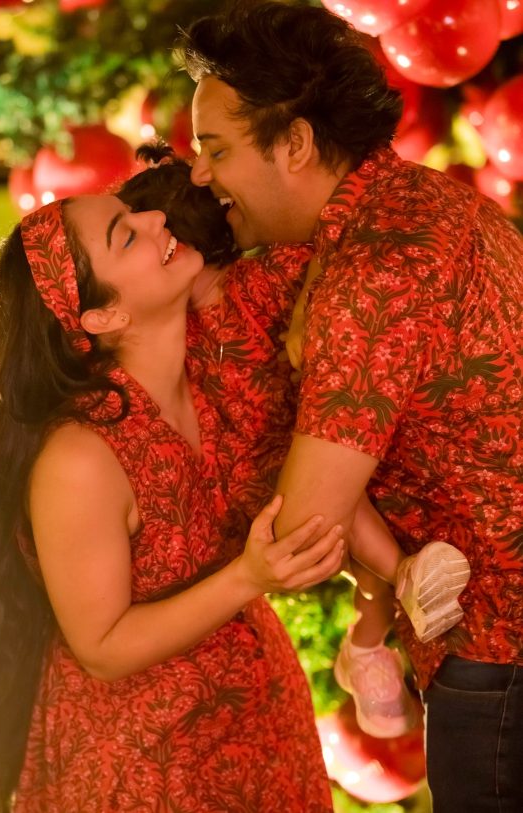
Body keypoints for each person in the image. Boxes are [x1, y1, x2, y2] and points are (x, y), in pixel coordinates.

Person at [0, 185, 342, 811]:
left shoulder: (218, 360)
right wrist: (249, 578)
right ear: (102, 317)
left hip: (264, 733)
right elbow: (101, 647)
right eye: (126, 235)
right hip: (148, 766)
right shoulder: (81, 456)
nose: (156, 218)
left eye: (134, 213)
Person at [179, 2, 523, 810]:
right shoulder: (432, 201)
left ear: (295, 143)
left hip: (499, 654)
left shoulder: (369, 272)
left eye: (217, 149)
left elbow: (304, 527)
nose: (200, 175)